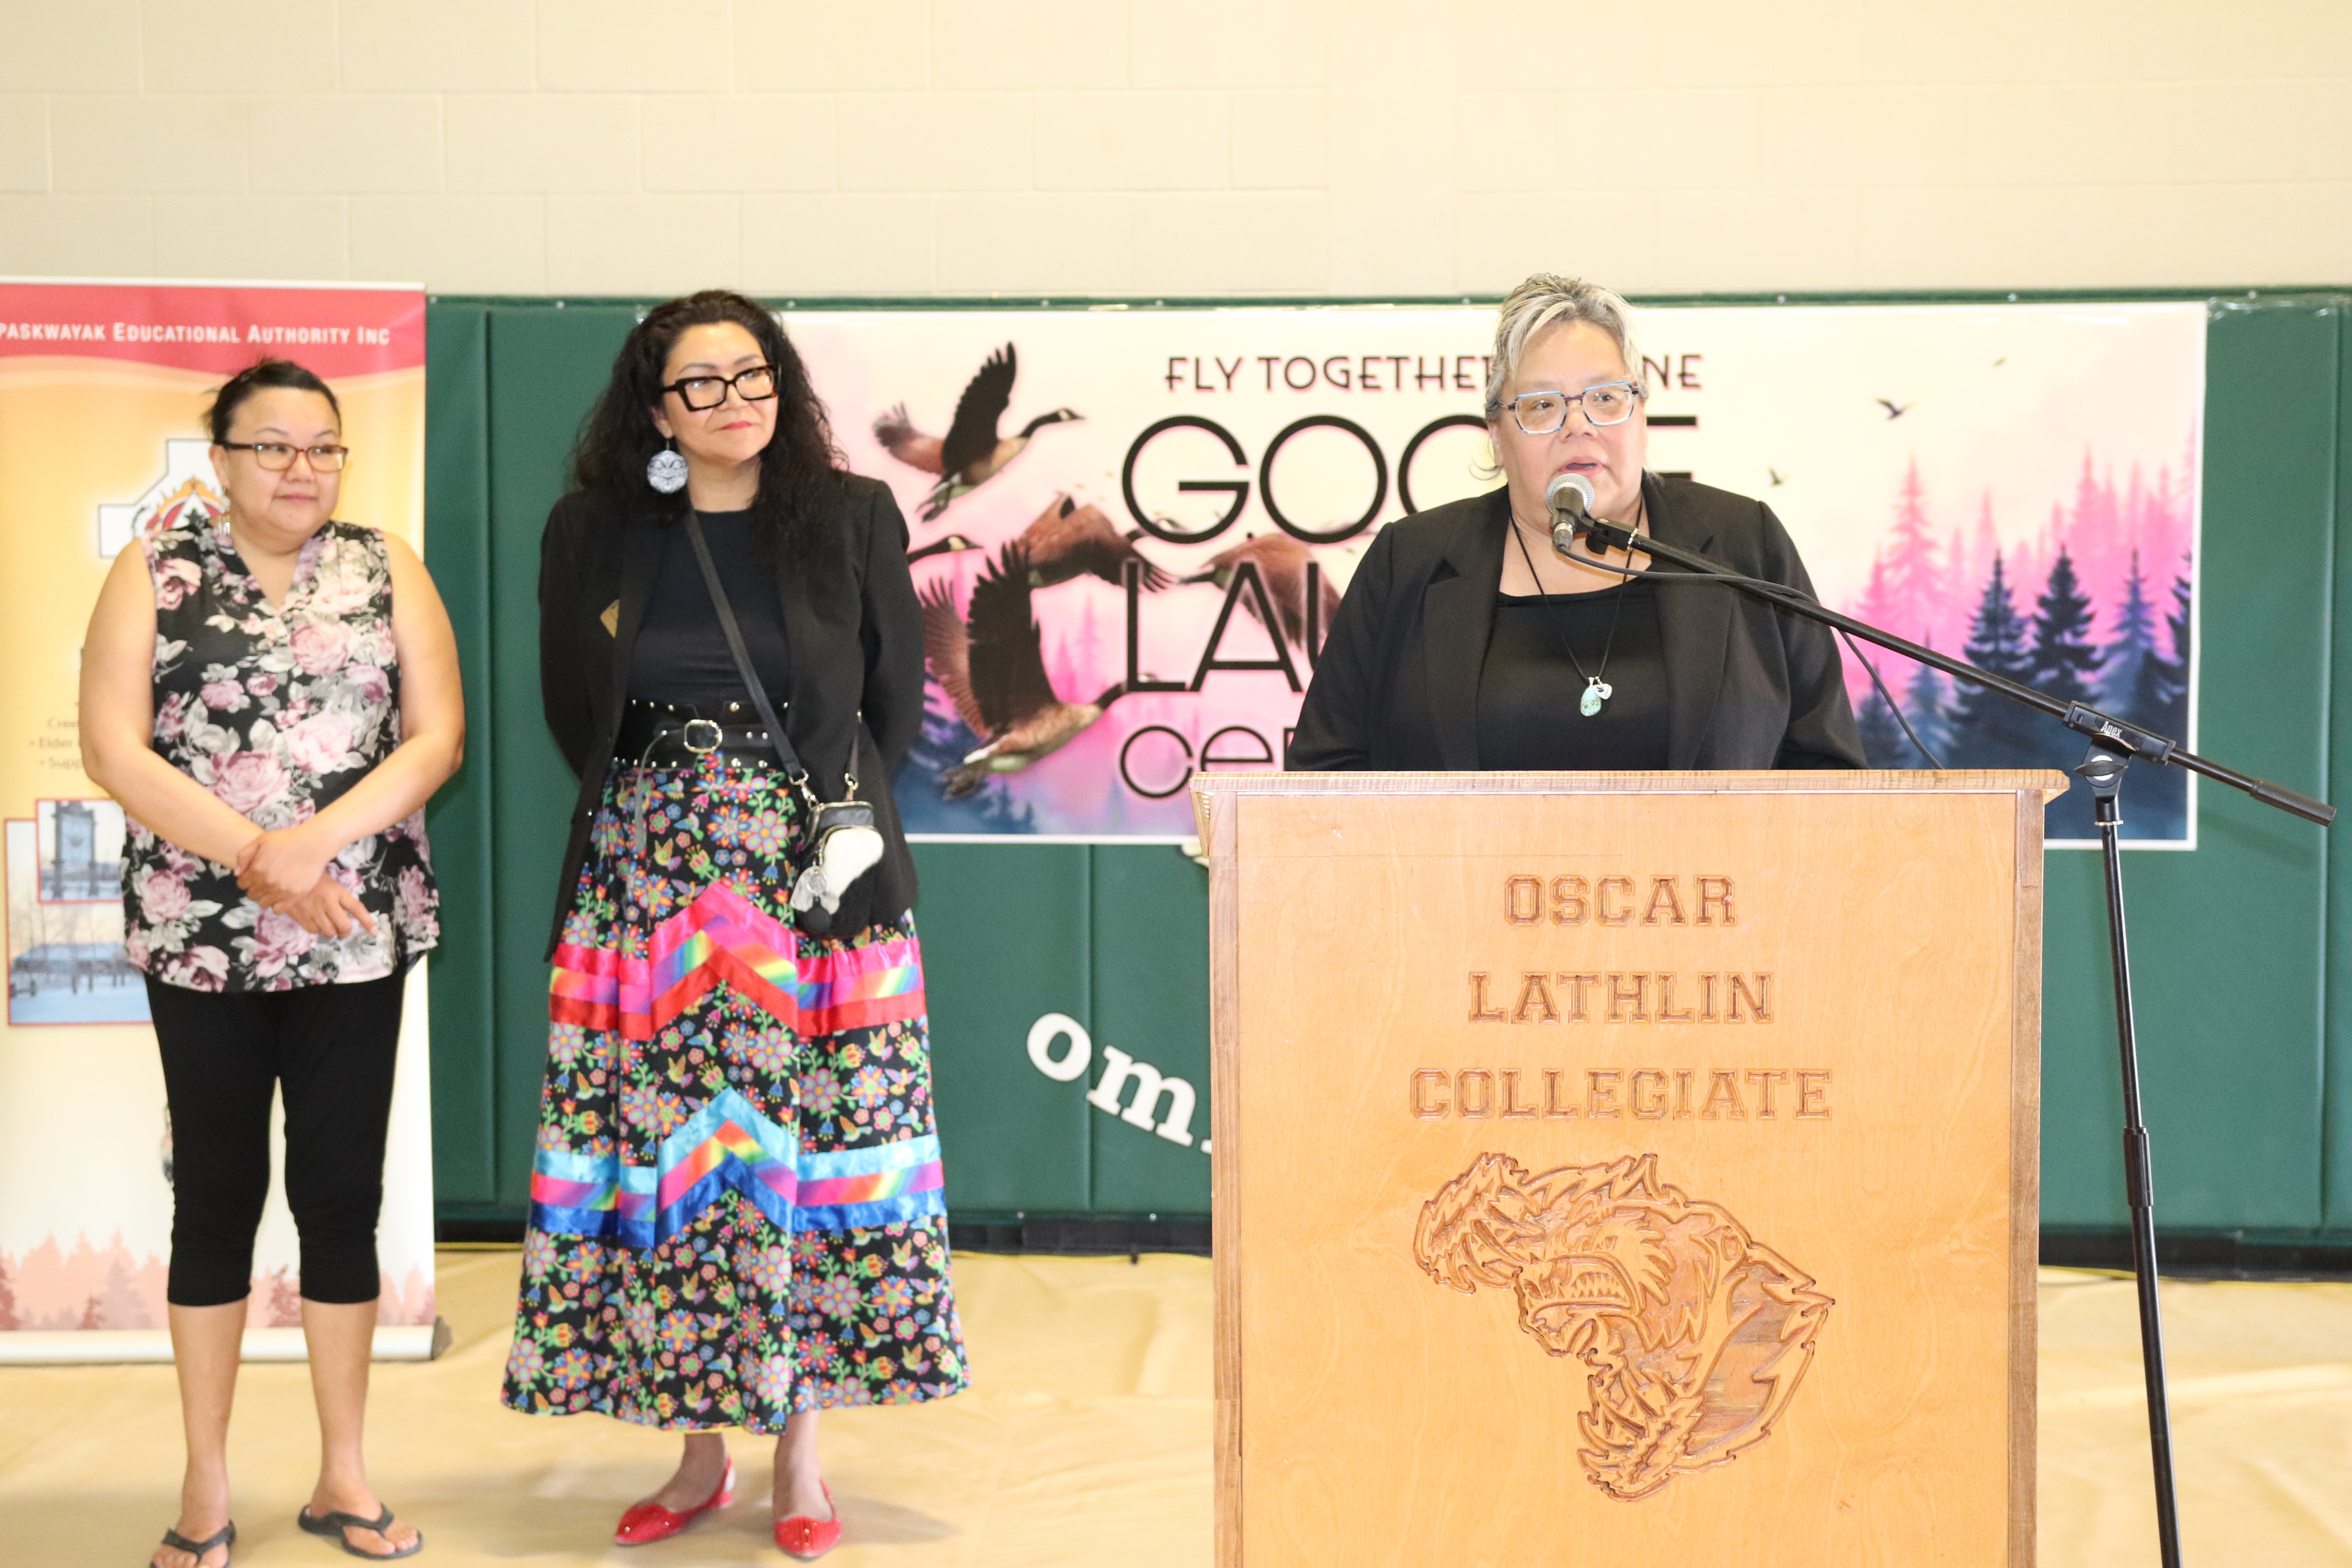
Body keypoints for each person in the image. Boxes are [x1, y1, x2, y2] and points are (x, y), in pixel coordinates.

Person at [502, 290, 967, 1560]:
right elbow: (572, 707)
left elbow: (889, 702)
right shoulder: (592, 528)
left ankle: (800, 1455)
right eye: (699, 384)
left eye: (751, 374)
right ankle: (699, 1446)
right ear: (656, 409)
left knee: (810, 1156)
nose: (732, 401)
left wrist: (802, 823)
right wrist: (674, 815)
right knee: (673, 1161)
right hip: (648, 880)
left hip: (812, 886)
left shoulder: (852, 515)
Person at [80, 358, 465, 1567]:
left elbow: (436, 739)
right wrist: (262, 857)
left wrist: (311, 847)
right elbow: (112, 749)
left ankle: (344, 1478)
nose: (303, 469)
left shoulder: (387, 566)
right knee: (216, 1200)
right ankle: (204, 1488)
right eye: (273, 446)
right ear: (221, 460)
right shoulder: (154, 569)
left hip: (354, 934)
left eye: (324, 447)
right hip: (199, 936)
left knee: (340, 1199)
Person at [1289, 273, 1864, 772]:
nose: (1579, 425)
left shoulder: (1743, 543)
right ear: (1496, 435)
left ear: (1642, 415)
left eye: (1606, 398)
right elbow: (1325, 771)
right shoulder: (1410, 561)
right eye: (1542, 405)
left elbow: (1829, 770)